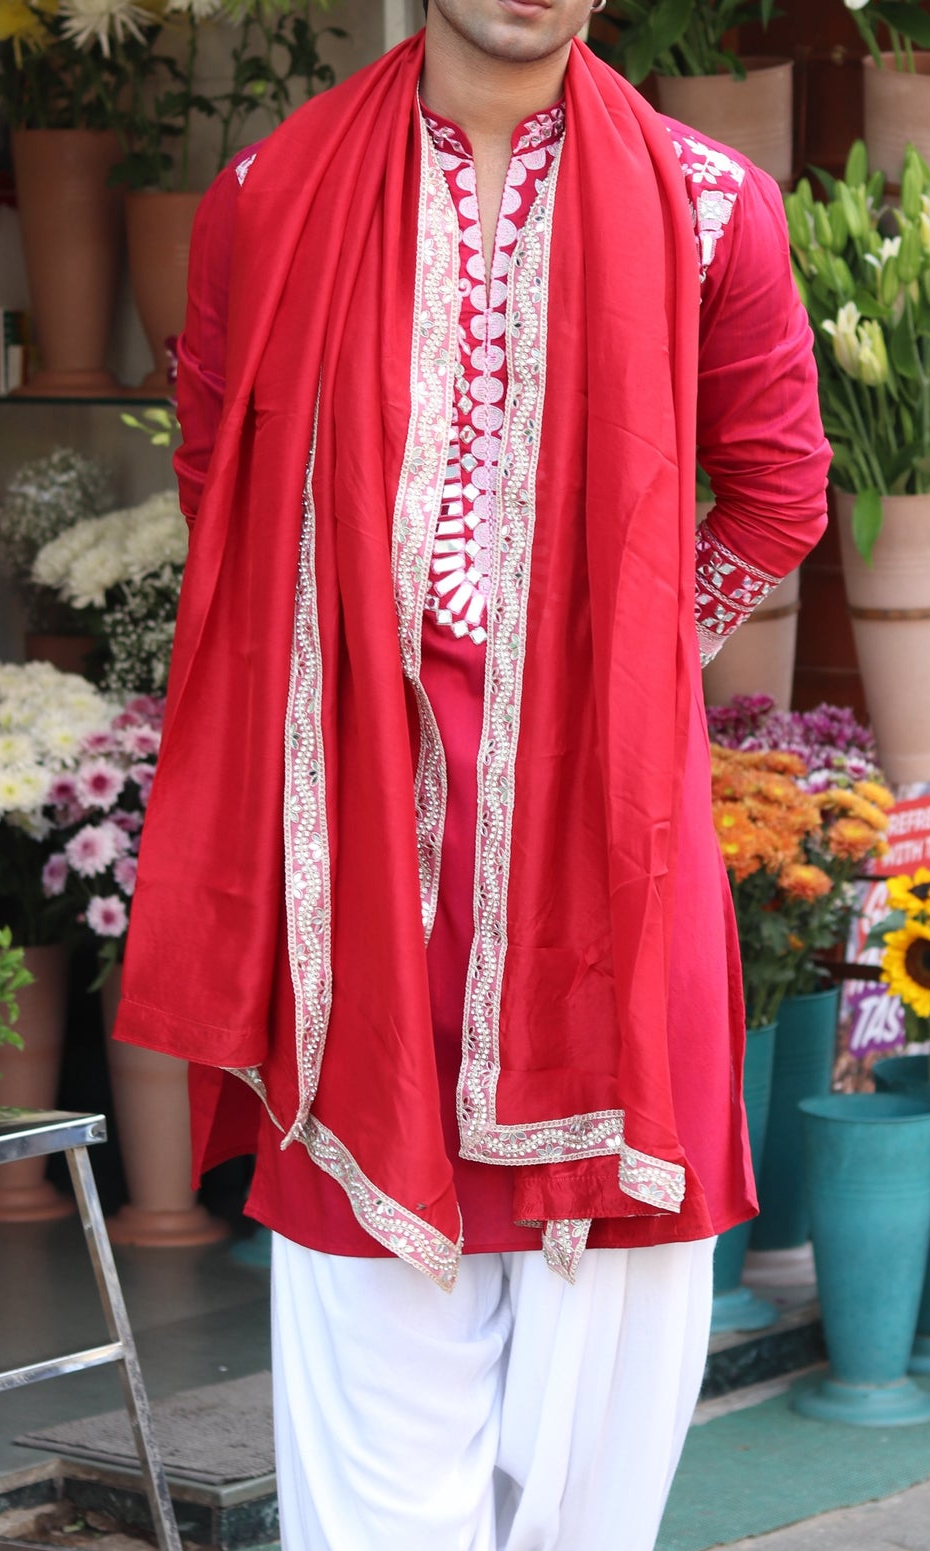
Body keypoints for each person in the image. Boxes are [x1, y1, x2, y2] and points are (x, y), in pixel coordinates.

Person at [114, 1, 830, 1545]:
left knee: (593, 1460)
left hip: (606, 870)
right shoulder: (270, 193)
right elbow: (218, 467)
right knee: (377, 1459)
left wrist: (627, 667)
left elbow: (778, 490)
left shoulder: (712, 201)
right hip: (351, 859)